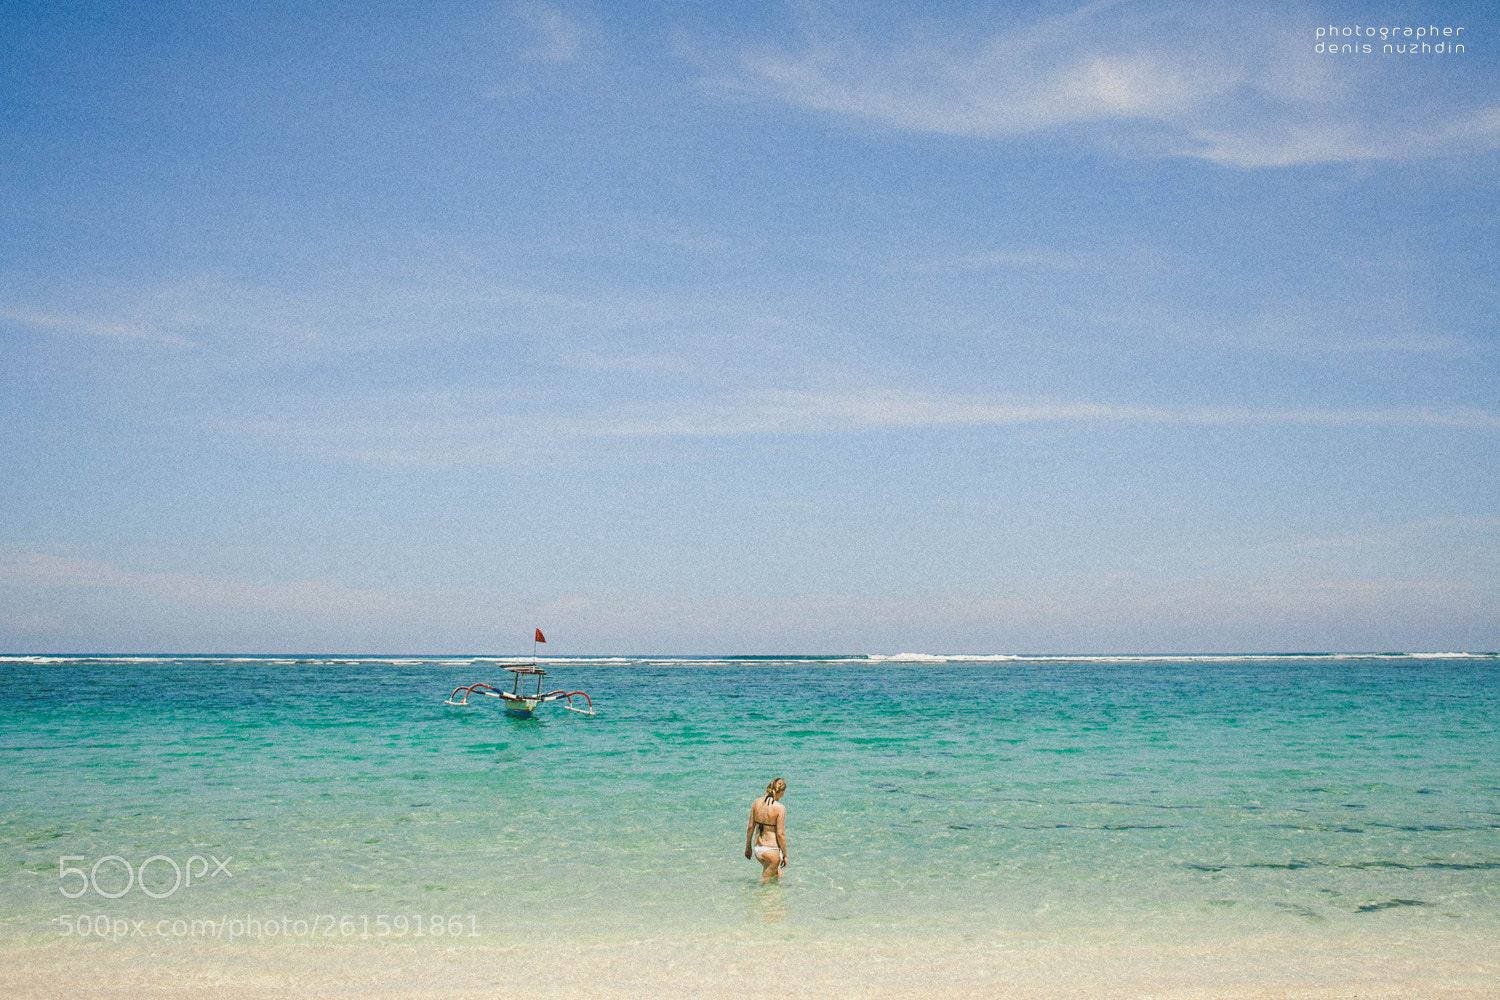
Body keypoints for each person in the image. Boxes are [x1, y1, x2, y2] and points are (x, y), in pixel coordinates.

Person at [744, 778, 787, 880]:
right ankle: (752, 895)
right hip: (771, 850)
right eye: (783, 793)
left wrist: (748, 847)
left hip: (758, 849)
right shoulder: (780, 808)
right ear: (780, 791)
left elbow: (750, 827)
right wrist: (785, 855)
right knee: (764, 883)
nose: (782, 796)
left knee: (778, 876)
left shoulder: (756, 803)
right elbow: (780, 834)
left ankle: (779, 895)